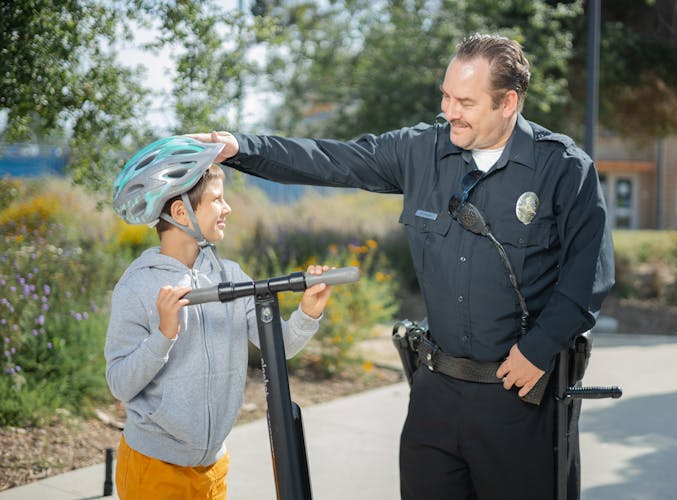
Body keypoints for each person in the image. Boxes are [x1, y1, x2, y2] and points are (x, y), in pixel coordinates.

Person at [188, 33, 615, 500]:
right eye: (446, 96)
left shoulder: (563, 168)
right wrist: (239, 147)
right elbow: (332, 160)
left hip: (518, 397)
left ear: (507, 102)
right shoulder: (421, 151)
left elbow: (588, 274)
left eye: (465, 101)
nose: (450, 110)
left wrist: (539, 348)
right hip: (435, 395)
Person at [104, 136, 333, 499]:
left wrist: (308, 311)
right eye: (216, 200)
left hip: (213, 466)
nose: (226, 209)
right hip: (154, 466)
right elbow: (119, 383)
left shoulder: (230, 276)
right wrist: (163, 335)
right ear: (181, 213)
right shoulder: (138, 285)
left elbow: (279, 347)